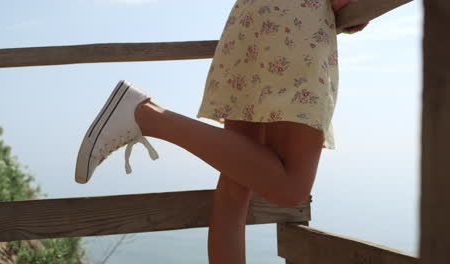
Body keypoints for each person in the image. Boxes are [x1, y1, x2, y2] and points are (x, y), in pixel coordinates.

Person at [75, 0, 368, 263]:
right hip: (296, 24)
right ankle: (146, 115)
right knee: (290, 188)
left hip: (250, 18)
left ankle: (144, 114)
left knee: (235, 189)